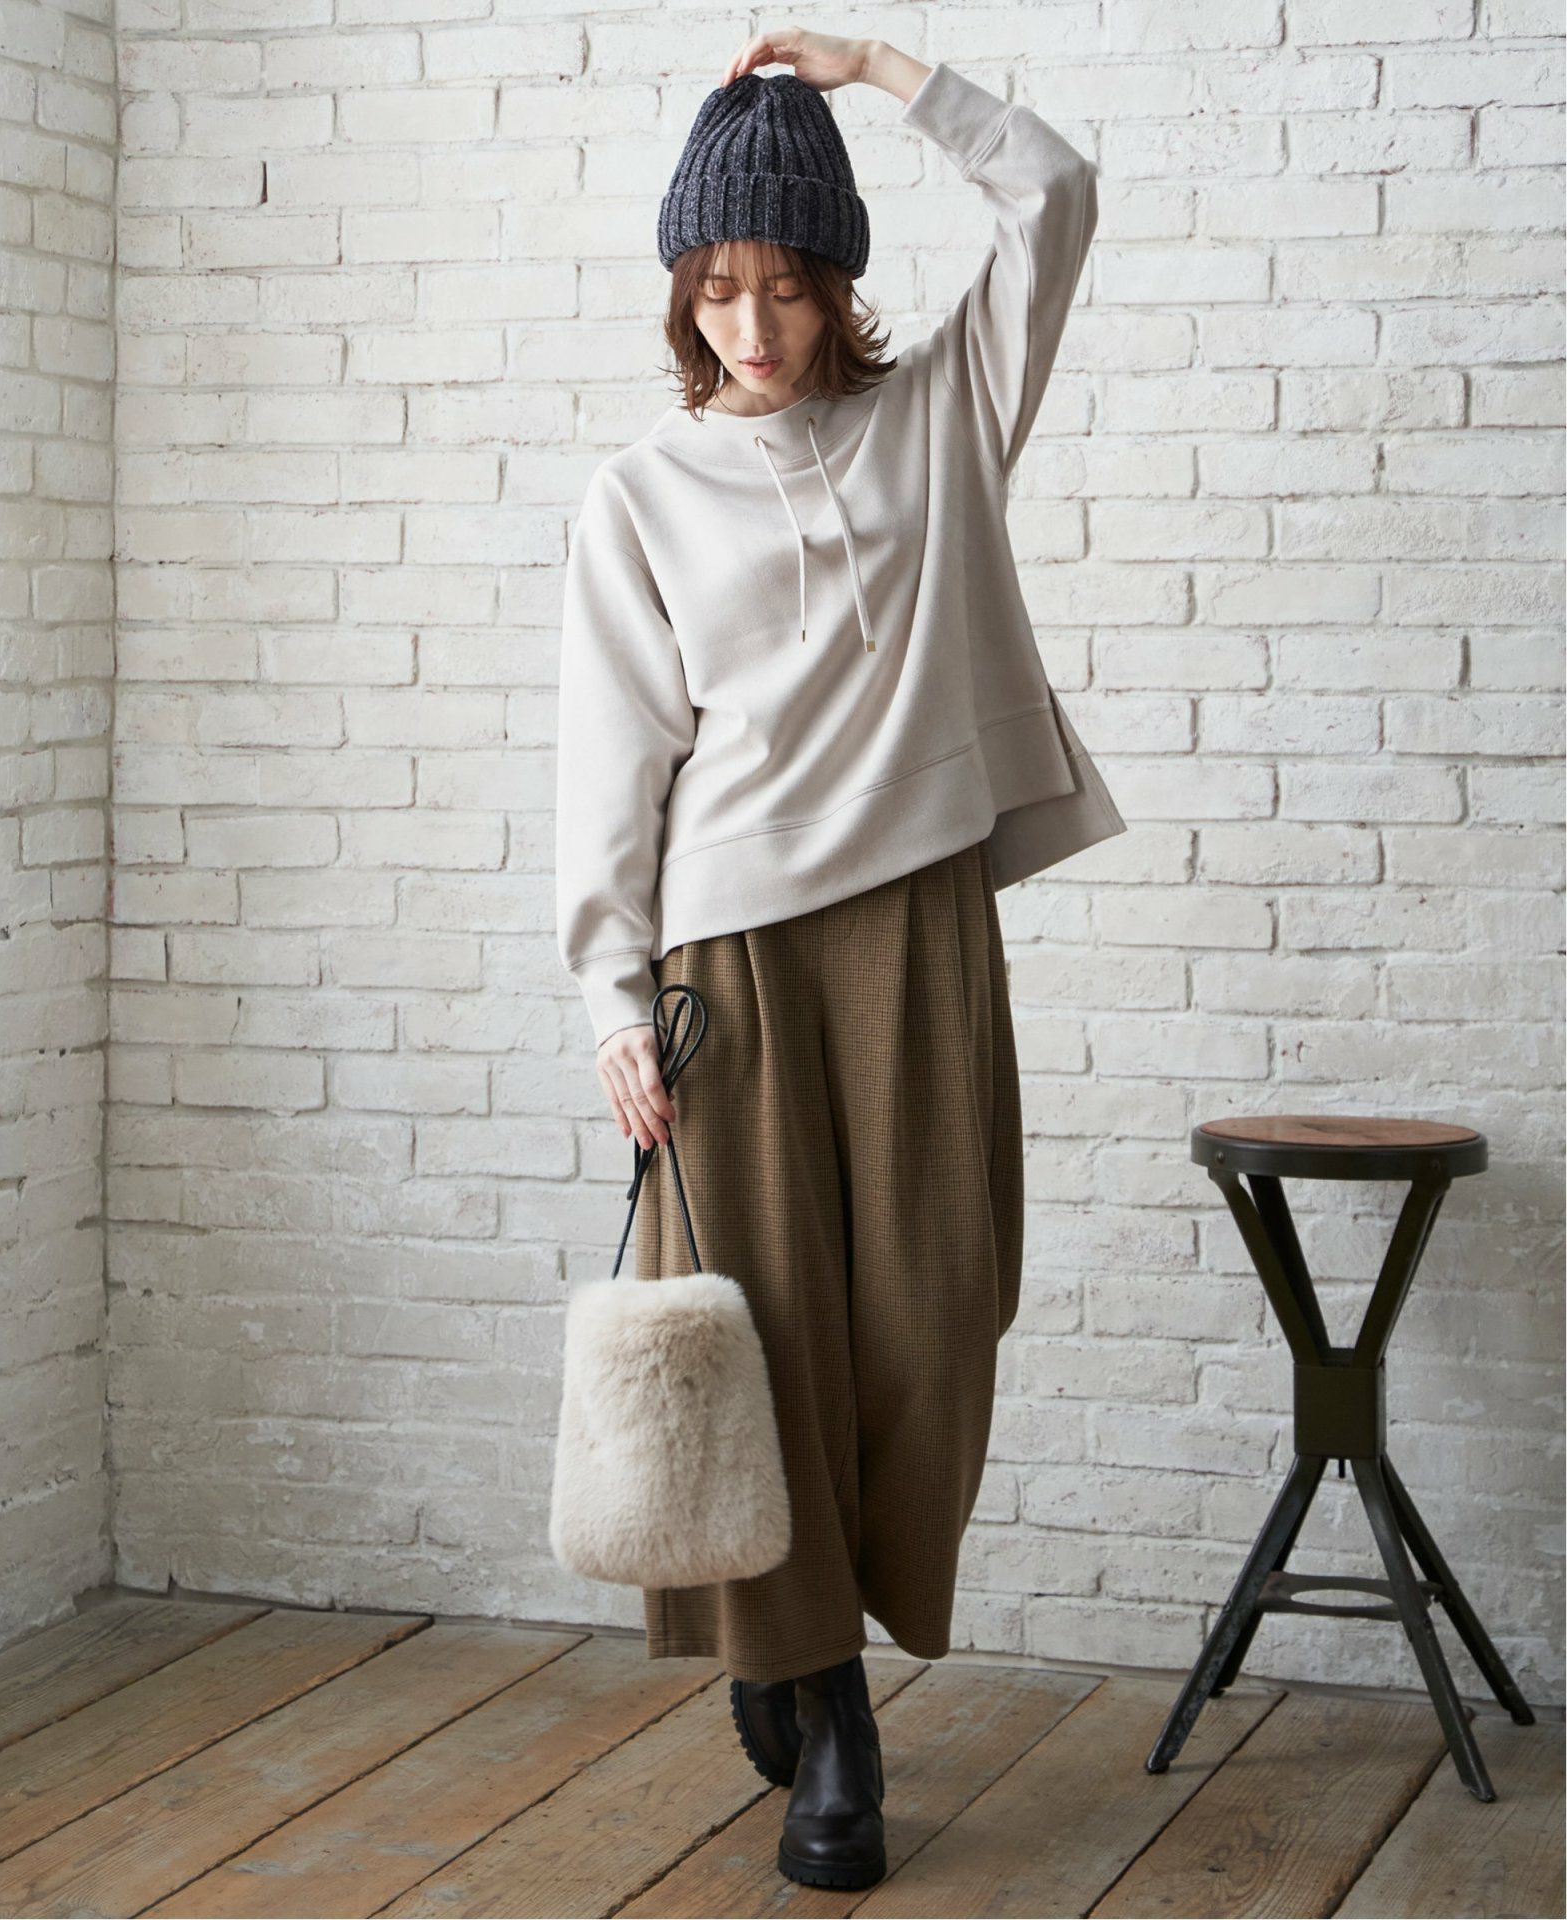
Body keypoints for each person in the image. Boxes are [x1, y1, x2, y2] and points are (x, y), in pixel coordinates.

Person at [554, 24, 1125, 1892]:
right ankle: (826, 1705)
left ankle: (808, 1649)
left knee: (939, 1305)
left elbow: (1057, 195)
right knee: (773, 1332)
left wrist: (882, 69)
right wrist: (611, 998)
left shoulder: (937, 417)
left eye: (787, 285)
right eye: (718, 289)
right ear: (682, 294)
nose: (753, 325)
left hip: (920, 923)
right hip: (729, 959)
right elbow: (616, 762)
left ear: (838, 280)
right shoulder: (640, 493)